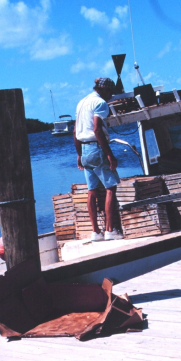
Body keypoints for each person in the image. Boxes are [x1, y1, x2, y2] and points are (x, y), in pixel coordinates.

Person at [74, 78, 123, 241]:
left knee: (92, 191)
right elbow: (96, 129)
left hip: (85, 149)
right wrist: (109, 154)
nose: (110, 96)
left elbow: (75, 132)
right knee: (111, 188)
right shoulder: (101, 103)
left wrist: (79, 154)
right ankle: (110, 230)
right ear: (104, 90)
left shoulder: (81, 102)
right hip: (96, 148)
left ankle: (95, 232)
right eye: (110, 93)